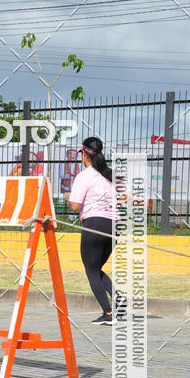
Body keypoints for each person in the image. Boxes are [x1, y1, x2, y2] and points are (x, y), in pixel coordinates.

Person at [65, 136, 122, 325]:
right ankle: (118, 298)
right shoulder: (111, 173)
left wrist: (67, 196)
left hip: (95, 224)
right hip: (115, 226)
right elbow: (127, 196)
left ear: (84, 155)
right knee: (96, 268)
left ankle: (108, 313)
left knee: (91, 270)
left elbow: (74, 206)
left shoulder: (84, 176)